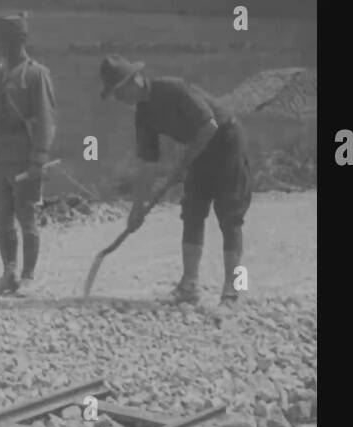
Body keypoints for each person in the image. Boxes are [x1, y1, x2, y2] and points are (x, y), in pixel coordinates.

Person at [100, 54, 252, 305]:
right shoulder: (143, 115)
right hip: (198, 150)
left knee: (230, 217)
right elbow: (147, 164)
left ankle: (232, 290)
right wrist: (137, 208)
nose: (117, 98)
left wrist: (183, 163)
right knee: (192, 212)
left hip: (227, 142)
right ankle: (189, 285)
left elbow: (210, 126)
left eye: (118, 91)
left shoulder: (173, 89)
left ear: (135, 80)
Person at [0, 12, 56, 297]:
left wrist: (39, 158)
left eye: (10, 39)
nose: (4, 45)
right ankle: (9, 271)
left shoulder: (36, 74)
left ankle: (29, 275)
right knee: (3, 217)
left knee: (27, 217)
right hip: (0, 156)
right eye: (2, 40)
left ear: (22, 39)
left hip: (25, 157)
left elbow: (46, 119)